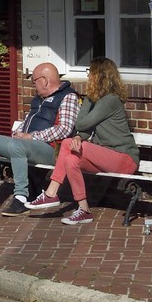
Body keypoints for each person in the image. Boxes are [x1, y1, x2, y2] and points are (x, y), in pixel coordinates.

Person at [25, 57, 139, 225]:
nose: (88, 76)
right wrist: (79, 137)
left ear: (99, 76)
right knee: (71, 160)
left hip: (124, 158)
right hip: (106, 156)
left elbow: (81, 124)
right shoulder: (98, 100)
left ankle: (51, 193)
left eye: (90, 72)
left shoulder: (110, 100)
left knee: (66, 143)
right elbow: (85, 129)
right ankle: (84, 210)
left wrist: (88, 99)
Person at [0, 61, 79, 214]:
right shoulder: (38, 99)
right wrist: (18, 133)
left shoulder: (68, 97)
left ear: (45, 81)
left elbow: (65, 129)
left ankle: (21, 198)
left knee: (17, 146)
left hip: (51, 149)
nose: (33, 85)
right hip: (26, 145)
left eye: (34, 81)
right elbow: (27, 122)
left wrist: (32, 137)